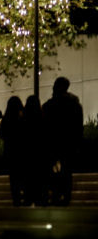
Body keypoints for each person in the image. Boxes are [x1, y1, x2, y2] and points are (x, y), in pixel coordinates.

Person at [43, 76, 84, 205]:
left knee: (53, 170)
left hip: (53, 143)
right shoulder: (74, 104)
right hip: (69, 142)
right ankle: (65, 196)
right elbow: (78, 126)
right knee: (67, 170)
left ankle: (56, 194)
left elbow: (44, 126)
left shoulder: (49, 105)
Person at [0, 96, 26, 205]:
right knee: (23, 173)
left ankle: (16, 198)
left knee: (13, 176)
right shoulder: (22, 118)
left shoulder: (6, 119)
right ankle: (24, 194)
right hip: (22, 151)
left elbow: (2, 134)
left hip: (10, 151)